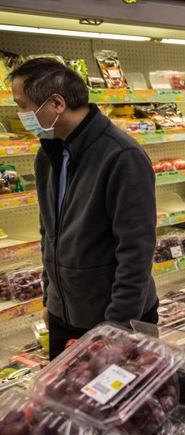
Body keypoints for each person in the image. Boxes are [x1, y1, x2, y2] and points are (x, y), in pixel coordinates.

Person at [10, 58, 158, 359]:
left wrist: (117, 327)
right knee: (66, 404)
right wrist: (52, 302)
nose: (21, 114)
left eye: (23, 105)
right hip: (65, 316)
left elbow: (136, 251)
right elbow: (48, 233)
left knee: (125, 404)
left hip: (115, 321)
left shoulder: (121, 156)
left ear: (56, 103)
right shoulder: (48, 154)